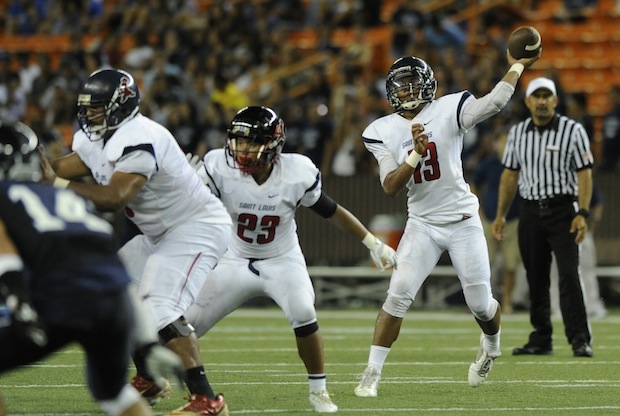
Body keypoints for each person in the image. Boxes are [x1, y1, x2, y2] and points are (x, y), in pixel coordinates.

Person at [39, 68, 233, 415]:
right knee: (113, 289)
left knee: (160, 307)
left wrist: (50, 183)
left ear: (120, 105)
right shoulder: (94, 137)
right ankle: (151, 377)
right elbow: (63, 168)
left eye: (97, 107)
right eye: (87, 107)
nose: (89, 115)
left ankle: (207, 400)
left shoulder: (140, 136)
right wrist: (30, 167)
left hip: (196, 227)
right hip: (161, 232)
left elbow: (116, 196)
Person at [185, 106, 397, 414]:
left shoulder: (296, 173)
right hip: (234, 259)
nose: (242, 150)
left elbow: (331, 210)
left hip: (281, 260)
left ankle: (319, 391)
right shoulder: (218, 166)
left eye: (251, 142)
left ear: (273, 145)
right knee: (184, 325)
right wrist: (186, 185)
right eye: (238, 142)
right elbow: (191, 211)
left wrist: (372, 242)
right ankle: (167, 383)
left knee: (302, 309)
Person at [354, 49, 541, 398]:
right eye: (401, 86)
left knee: (481, 304)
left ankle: (491, 344)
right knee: (398, 294)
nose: (407, 91)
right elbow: (390, 186)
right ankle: (371, 372)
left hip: (463, 220)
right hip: (422, 223)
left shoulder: (449, 107)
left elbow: (495, 102)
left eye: (413, 84)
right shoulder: (381, 130)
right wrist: (415, 153)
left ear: (427, 85)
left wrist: (516, 66)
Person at [0, 121, 183, 416]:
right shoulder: (70, 200)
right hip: (115, 305)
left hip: (61, 300)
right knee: (113, 394)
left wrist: (17, 298)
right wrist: (147, 342)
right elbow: (117, 278)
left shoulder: (6, 195)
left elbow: (4, 248)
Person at [492, 77, 594, 358]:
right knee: (536, 278)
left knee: (569, 277)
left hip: (563, 211)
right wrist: (500, 214)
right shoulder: (517, 133)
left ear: (555, 100)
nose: (541, 101)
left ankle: (579, 339)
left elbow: (584, 173)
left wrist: (582, 212)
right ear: (527, 102)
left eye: (546, 96)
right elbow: (509, 175)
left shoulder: (573, 131)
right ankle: (541, 337)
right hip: (530, 211)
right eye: (535, 96)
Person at [471, 132, 523, 314]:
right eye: (503, 141)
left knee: (511, 264)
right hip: (490, 221)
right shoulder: (489, 164)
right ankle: (484, 302)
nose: (506, 145)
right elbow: (473, 184)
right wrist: (478, 211)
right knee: (485, 263)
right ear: (497, 143)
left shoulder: (521, 164)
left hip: (513, 221)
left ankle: (507, 301)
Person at [550, 185, 607, 319]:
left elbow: (598, 204)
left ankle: (591, 305)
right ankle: (557, 306)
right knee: (555, 272)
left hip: (581, 231)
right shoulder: (552, 184)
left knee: (587, 270)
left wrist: (592, 224)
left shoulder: (584, 181)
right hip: (556, 232)